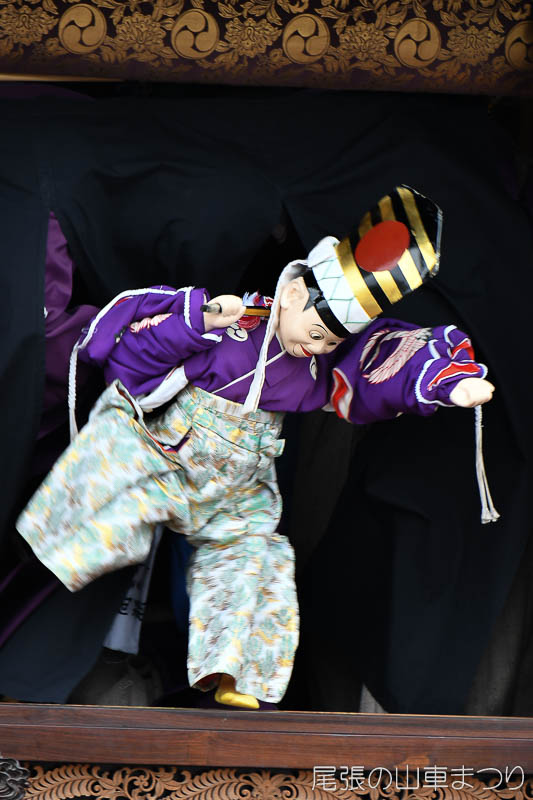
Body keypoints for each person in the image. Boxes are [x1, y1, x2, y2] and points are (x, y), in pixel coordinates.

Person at [16, 186, 495, 710]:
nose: (315, 347)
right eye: (316, 332)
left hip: (239, 484)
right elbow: (130, 361)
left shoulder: (314, 368)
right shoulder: (231, 328)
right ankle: (37, 575)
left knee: (257, 562)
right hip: (170, 454)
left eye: (330, 342)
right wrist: (194, 322)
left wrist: (445, 383)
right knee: (103, 491)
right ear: (292, 295)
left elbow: (377, 365)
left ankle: (233, 672)